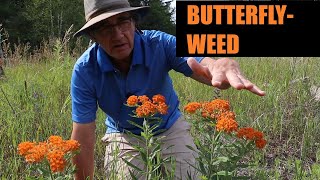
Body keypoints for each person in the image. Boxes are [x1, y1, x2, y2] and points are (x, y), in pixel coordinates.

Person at [71, 0, 266, 179]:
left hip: (170, 127)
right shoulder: (84, 71)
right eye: (105, 27)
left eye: (123, 21)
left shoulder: (160, 43)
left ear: (134, 22)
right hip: (124, 134)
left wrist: (217, 66)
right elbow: (83, 136)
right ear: (93, 36)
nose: (117, 34)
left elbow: (198, 61)